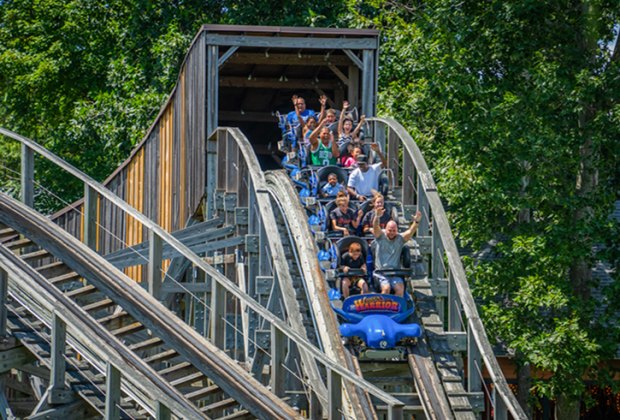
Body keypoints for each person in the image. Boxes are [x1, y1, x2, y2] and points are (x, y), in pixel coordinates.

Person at [371, 209, 422, 296]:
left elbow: (410, 232)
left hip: (395, 273)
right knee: (386, 288)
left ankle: (397, 308)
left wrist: (416, 222)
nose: (391, 233)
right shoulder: (380, 237)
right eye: (389, 230)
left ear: (397, 231)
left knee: (400, 289)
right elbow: (375, 227)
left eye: (394, 231)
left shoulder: (400, 239)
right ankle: (384, 308)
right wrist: (377, 216)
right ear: (385, 229)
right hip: (381, 273)